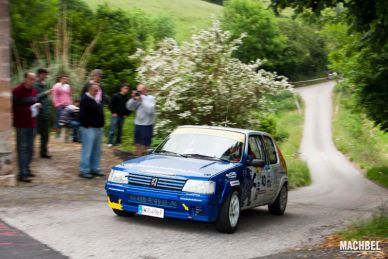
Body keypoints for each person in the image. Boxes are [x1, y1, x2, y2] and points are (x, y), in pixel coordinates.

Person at [12, 72, 40, 183]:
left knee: (30, 149)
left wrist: (38, 105)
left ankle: (26, 169)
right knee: (22, 149)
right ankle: (22, 174)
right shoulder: (17, 91)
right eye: (31, 79)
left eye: (34, 79)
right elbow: (12, 106)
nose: (33, 81)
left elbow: (36, 101)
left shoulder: (34, 90)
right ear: (25, 79)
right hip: (21, 125)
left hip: (32, 123)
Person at [79, 84, 105, 179]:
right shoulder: (85, 99)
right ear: (89, 90)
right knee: (87, 149)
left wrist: (101, 124)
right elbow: (82, 114)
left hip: (98, 127)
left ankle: (94, 168)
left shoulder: (96, 99)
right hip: (89, 128)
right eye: (95, 90)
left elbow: (99, 111)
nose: (96, 92)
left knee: (96, 150)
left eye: (97, 90)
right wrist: (87, 124)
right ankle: (84, 170)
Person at [126, 84, 155, 156]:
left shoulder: (151, 98)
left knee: (146, 146)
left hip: (147, 125)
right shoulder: (136, 97)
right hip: (138, 124)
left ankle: (145, 161)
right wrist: (132, 98)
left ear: (146, 90)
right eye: (138, 91)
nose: (139, 93)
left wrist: (142, 101)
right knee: (137, 144)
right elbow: (129, 107)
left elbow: (150, 111)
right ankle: (137, 159)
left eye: (141, 91)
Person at [35, 68, 52, 158]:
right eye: (44, 74)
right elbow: (35, 97)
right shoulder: (35, 85)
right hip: (38, 114)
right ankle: (28, 152)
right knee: (34, 134)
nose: (46, 76)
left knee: (45, 135)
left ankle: (43, 152)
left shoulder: (44, 84)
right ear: (39, 75)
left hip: (45, 113)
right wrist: (46, 93)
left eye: (46, 74)